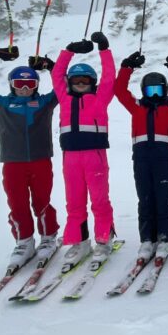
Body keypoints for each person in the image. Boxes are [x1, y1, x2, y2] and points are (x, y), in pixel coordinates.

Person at [0, 46, 59, 269]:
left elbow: (64, 87)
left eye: (31, 84)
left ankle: (48, 238)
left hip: (40, 161)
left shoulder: (44, 103)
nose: (25, 88)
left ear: (37, 86)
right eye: (20, 84)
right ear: (12, 85)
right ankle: (24, 242)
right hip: (12, 164)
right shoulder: (1, 104)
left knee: (42, 201)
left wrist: (51, 66)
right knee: (17, 204)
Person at [114, 50, 168, 261]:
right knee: (145, 199)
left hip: (164, 160)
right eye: (150, 91)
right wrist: (127, 67)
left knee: (163, 198)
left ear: (165, 90)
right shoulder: (137, 107)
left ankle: (164, 238)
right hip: (141, 160)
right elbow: (119, 91)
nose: (155, 95)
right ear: (144, 92)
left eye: (159, 90)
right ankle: (147, 240)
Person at [51, 31, 116, 267]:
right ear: (69, 84)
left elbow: (110, 76)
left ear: (92, 83)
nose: (80, 85)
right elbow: (56, 73)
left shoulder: (100, 98)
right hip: (70, 158)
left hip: (95, 157)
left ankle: (104, 239)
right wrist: (69, 50)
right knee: (74, 202)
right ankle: (80, 242)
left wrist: (104, 50)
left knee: (99, 200)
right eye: (76, 81)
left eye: (85, 82)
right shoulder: (64, 98)